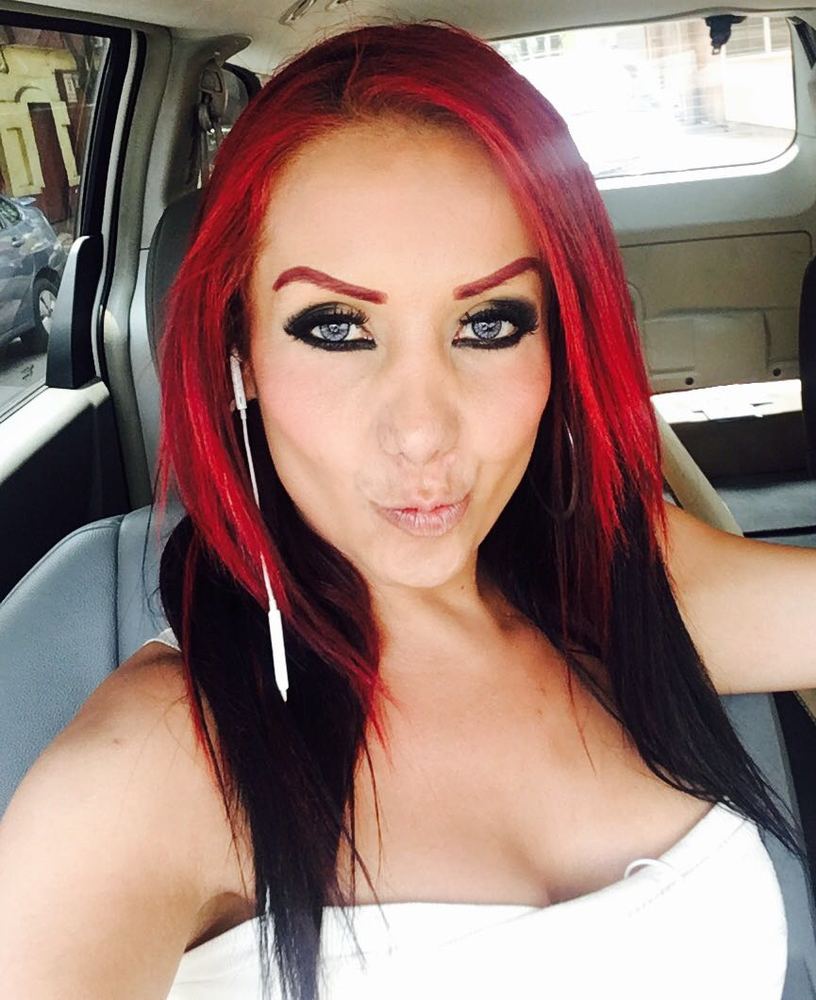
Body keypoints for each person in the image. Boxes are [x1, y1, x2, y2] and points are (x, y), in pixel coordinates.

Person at [1, 20, 814, 1000]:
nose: (423, 432)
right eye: (337, 328)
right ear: (239, 353)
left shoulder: (624, 580)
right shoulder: (152, 766)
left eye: (488, 323)